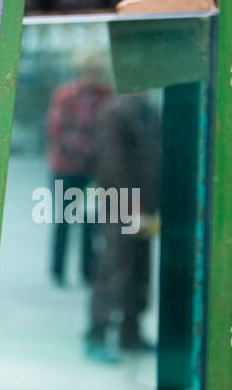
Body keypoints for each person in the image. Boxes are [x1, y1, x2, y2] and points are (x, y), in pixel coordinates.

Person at [86, 92, 161, 362]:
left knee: (139, 268)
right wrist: (132, 204)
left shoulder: (146, 110)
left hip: (143, 204)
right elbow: (112, 163)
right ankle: (98, 332)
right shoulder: (116, 112)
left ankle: (131, 332)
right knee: (115, 268)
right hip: (121, 205)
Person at [44, 51, 111, 285]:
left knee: (90, 220)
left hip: (94, 170)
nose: (94, 77)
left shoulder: (106, 95)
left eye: (97, 72)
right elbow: (56, 130)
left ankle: (87, 271)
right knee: (64, 219)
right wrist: (86, 147)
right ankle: (58, 270)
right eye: (90, 72)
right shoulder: (65, 96)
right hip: (66, 167)